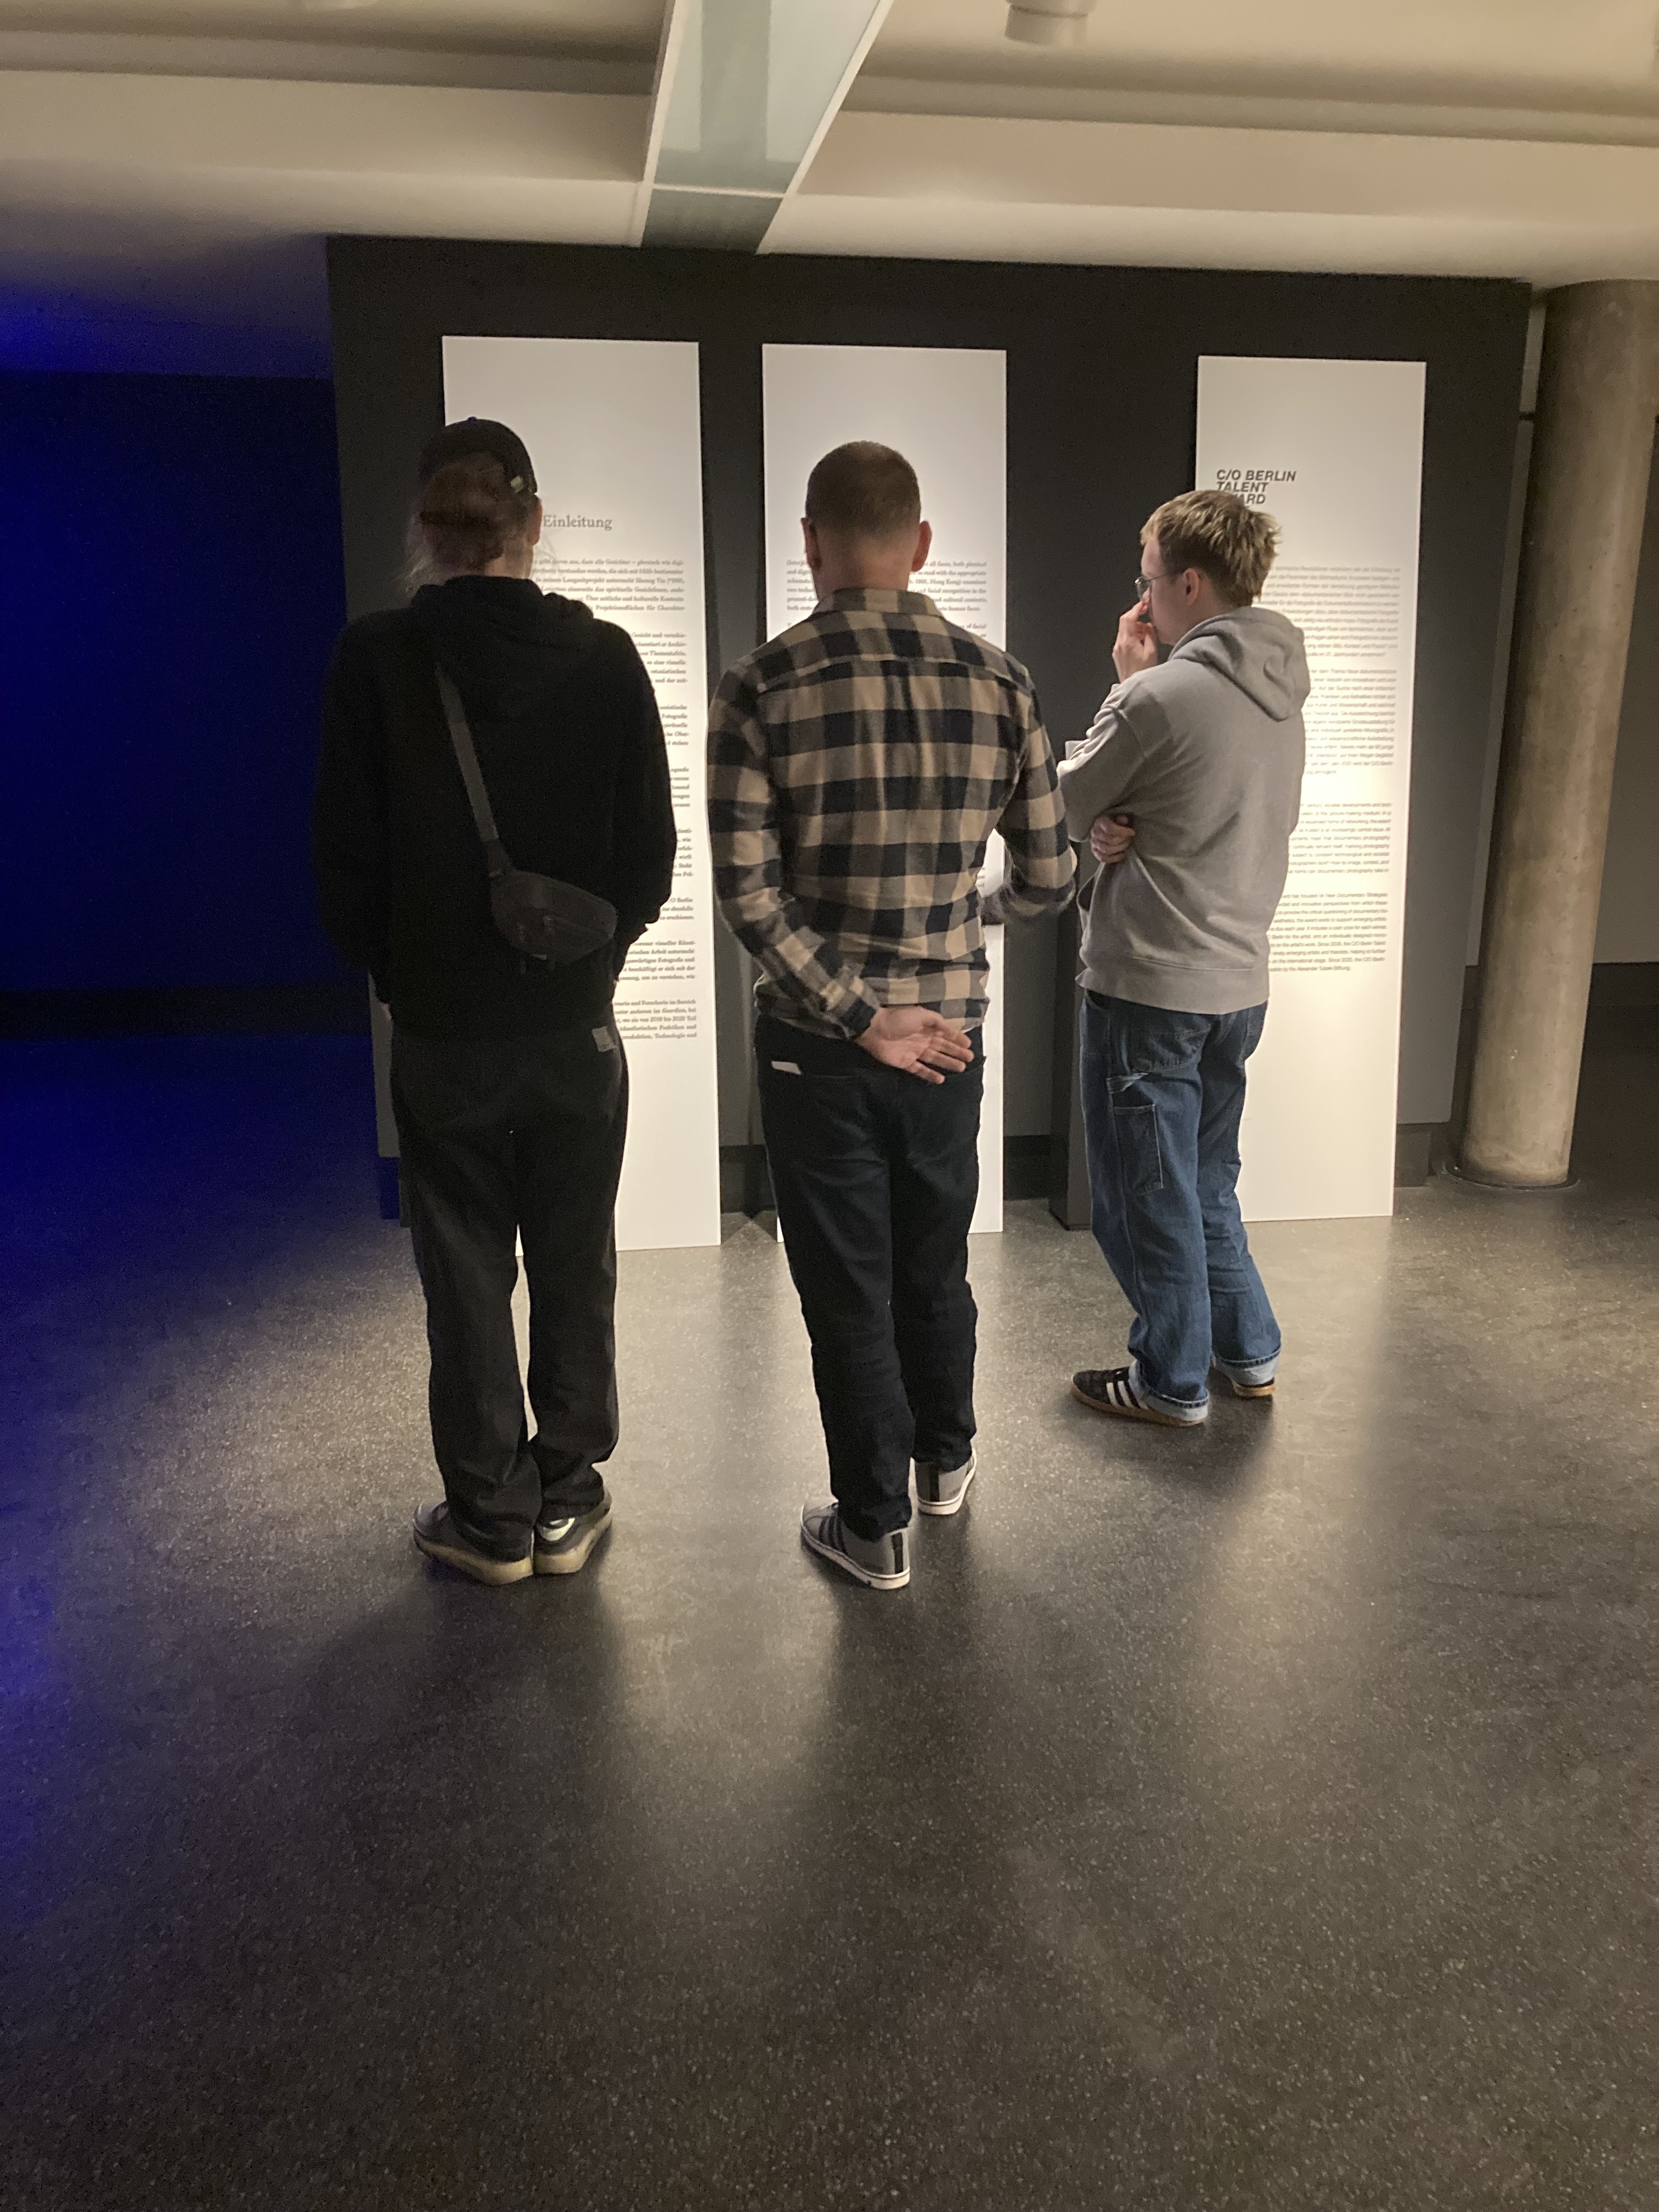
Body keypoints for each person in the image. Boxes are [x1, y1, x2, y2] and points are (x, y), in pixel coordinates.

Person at [708, 440, 1075, 1592]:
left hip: (819, 1048)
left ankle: (872, 1526)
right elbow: (1052, 877)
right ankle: (944, 1465)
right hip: (950, 1039)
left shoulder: (760, 685)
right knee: (933, 1264)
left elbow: (749, 895)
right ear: (919, 545)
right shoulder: (1003, 682)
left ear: (810, 544)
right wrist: (974, 916)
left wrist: (860, 1013)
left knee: (847, 1288)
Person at [313, 418, 676, 1584]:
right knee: (577, 1260)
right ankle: (568, 1496)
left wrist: (403, 975)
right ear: (534, 524)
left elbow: (342, 868)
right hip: (574, 1028)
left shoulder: (376, 659)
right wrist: (590, 968)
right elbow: (651, 863)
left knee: (464, 1273)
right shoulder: (607, 659)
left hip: (442, 1033)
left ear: (425, 529)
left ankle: (489, 1516)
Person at [1058, 488, 1309, 1427]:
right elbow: (1194, 810)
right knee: (1204, 1184)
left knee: (1144, 1198)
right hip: (1239, 984)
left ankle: (1170, 1379)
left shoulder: (1160, 696)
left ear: (1190, 583)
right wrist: (1129, 823)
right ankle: (1250, 1349)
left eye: (1149, 578)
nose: (1142, 597)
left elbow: (1066, 802)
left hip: (1153, 985)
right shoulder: (1283, 695)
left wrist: (1126, 683)